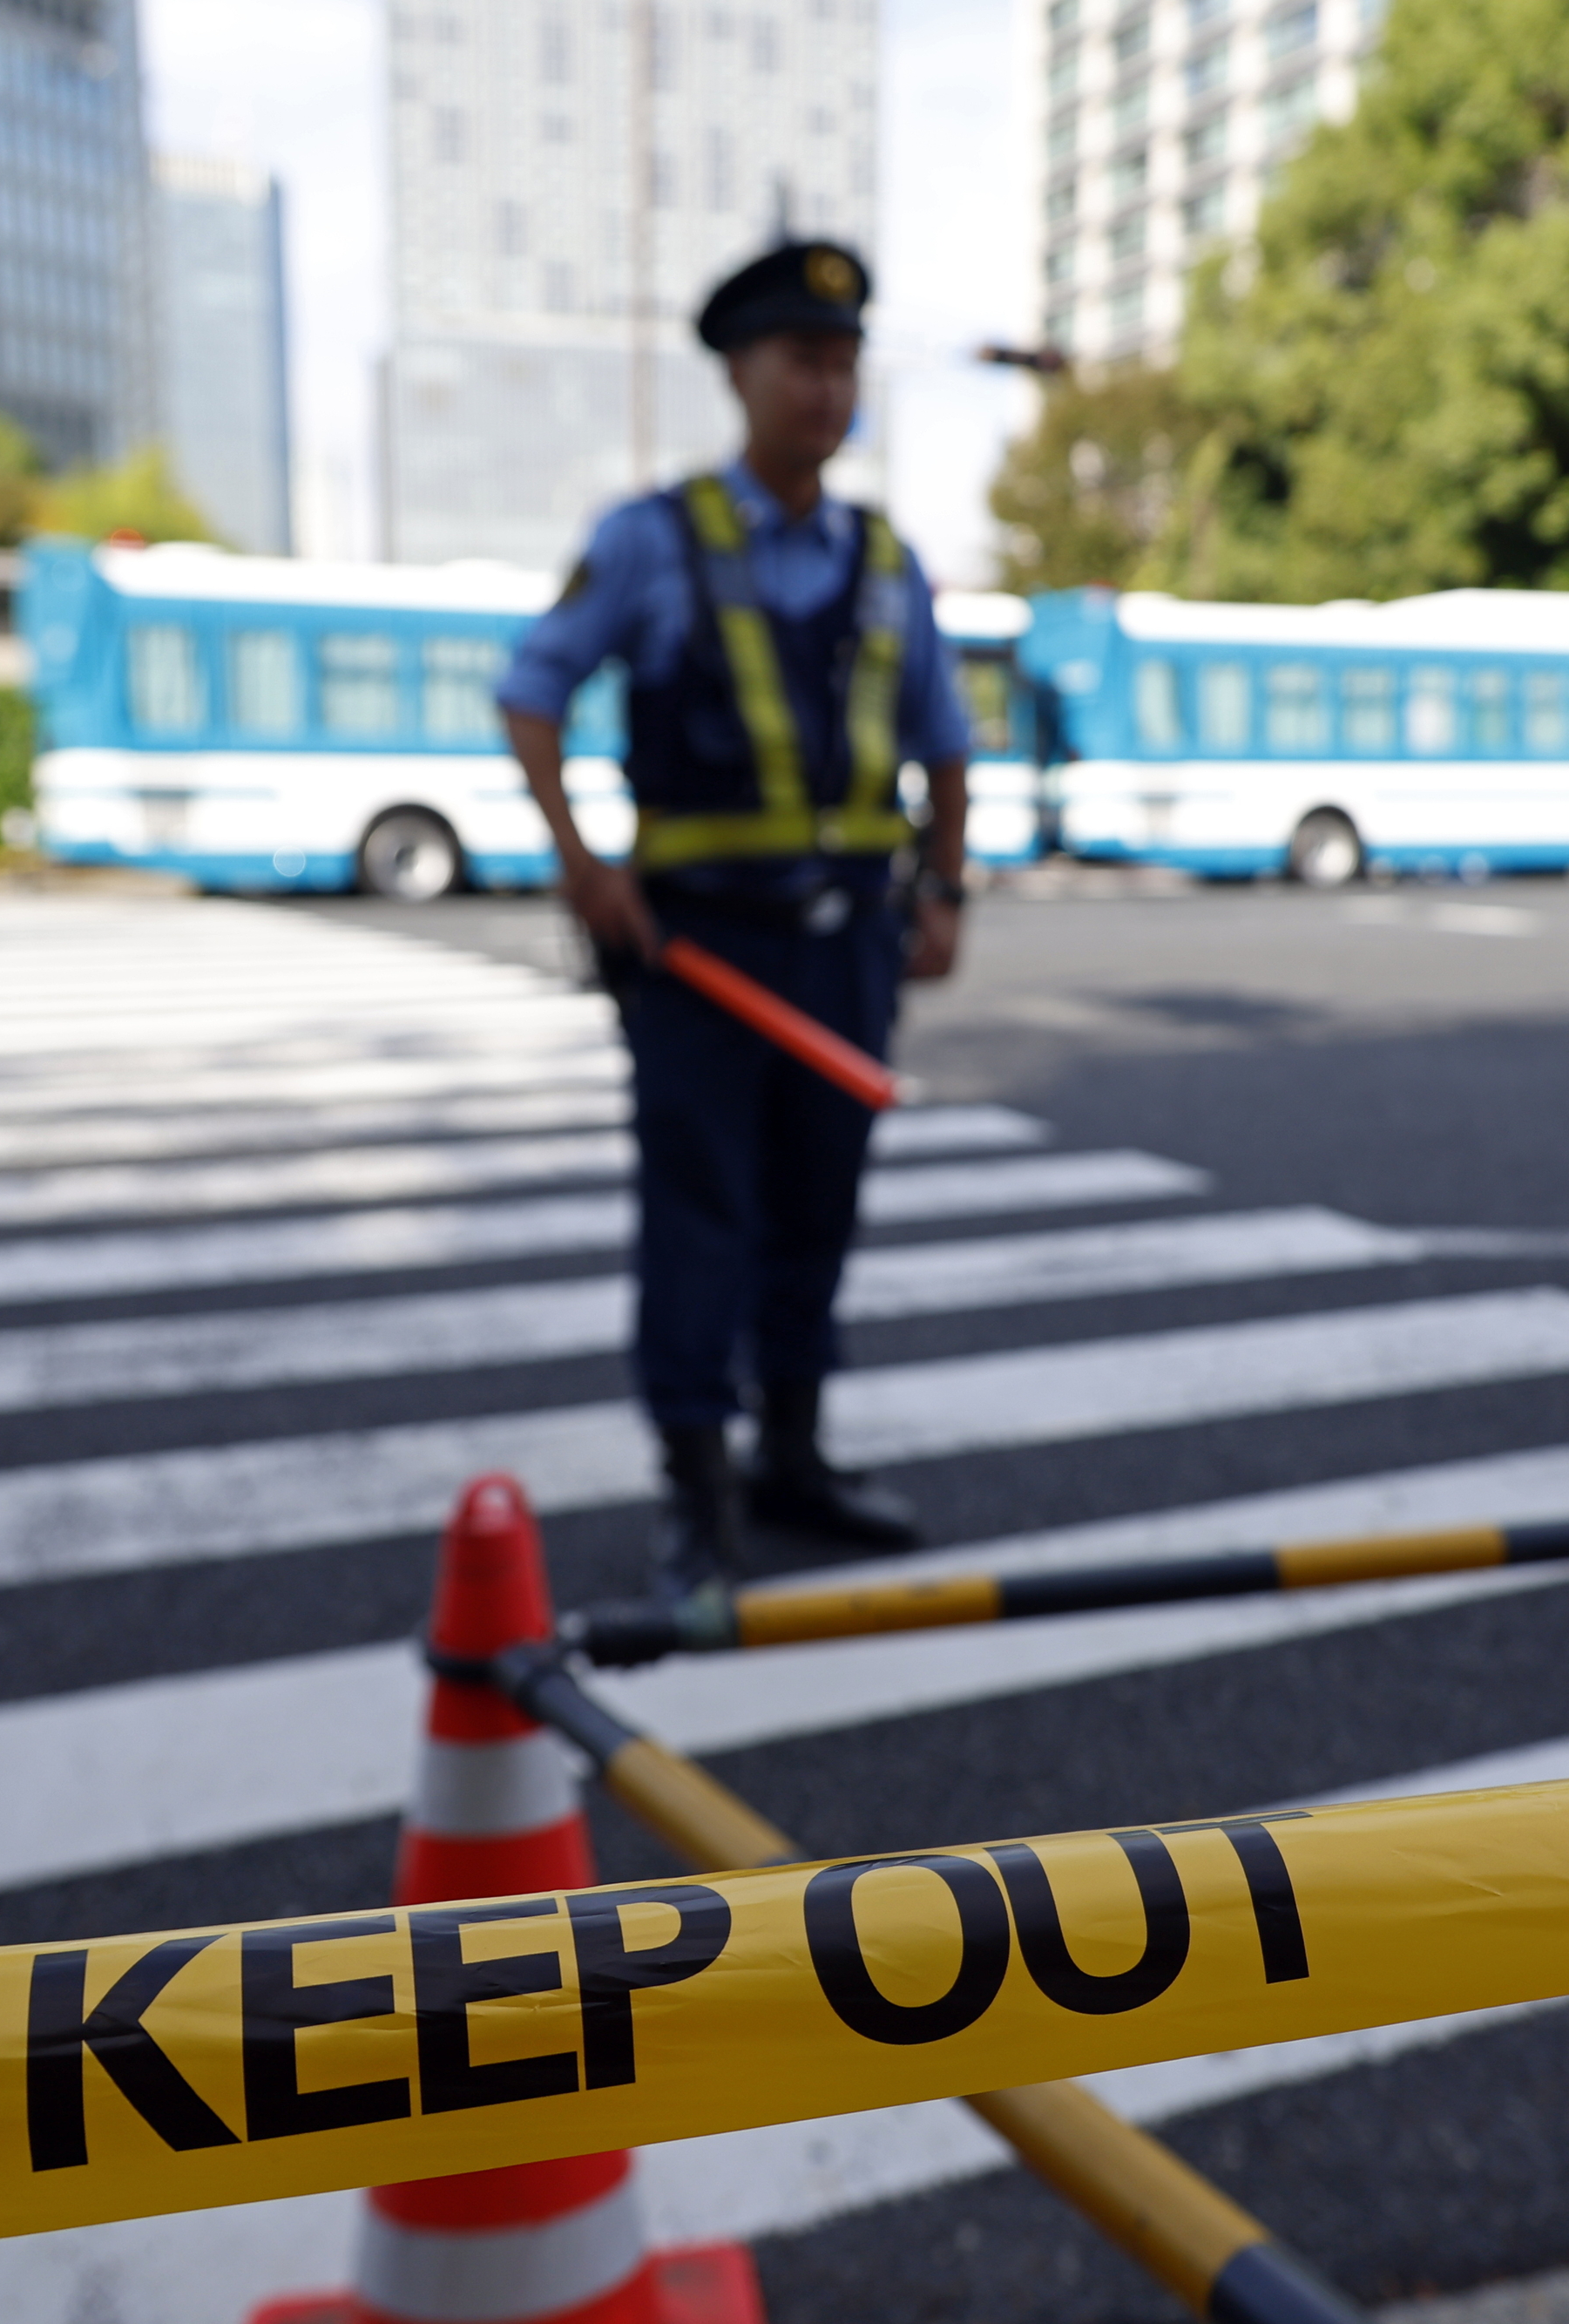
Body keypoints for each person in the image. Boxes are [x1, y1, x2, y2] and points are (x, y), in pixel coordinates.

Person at [497, 239, 975, 1604]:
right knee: (702, 1214)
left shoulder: (887, 559)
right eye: (800, 362)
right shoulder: (651, 538)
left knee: (819, 1206)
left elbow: (945, 742)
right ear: (739, 372)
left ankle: (796, 1460)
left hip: (847, 947)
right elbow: (531, 690)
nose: (826, 389)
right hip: (698, 956)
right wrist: (587, 866)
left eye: (843, 364)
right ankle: (696, 1494)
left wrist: (942, 891)